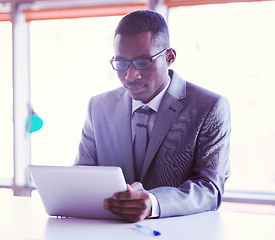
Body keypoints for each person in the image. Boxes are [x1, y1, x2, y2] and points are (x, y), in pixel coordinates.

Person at [75, 10, 231, 222]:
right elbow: (81, 175)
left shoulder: (210, 107)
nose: (130, 76)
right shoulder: (99, 107)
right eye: (121, 64)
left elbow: (210, 190)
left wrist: (153, 203)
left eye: (142, 62)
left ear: (169, 57)